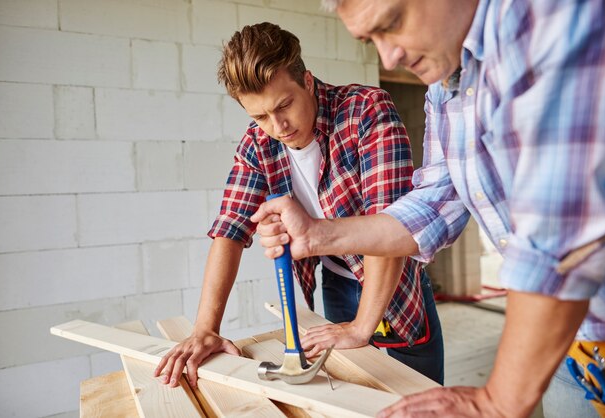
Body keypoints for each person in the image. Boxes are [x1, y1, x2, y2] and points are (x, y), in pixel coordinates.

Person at [251, 0, 605, 417]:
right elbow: (434, 204)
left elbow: (562, 230)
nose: (390, 56)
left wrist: (496, 401)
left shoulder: (547, 15)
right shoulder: (446, 89)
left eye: (393, 24)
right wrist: (318, 235)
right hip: (578, 346)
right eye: (372, 39)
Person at [154, 21, 445, 390]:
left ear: (307, 81)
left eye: (284, 105)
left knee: (422, 396)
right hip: (337, 284)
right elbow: (229, 228)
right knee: (356, 395)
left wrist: (362, 326)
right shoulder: (258, 143)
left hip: (397, 284)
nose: (277, 126)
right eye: (259, 116)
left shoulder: (367, 111)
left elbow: (390, 221)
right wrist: (204, 330)